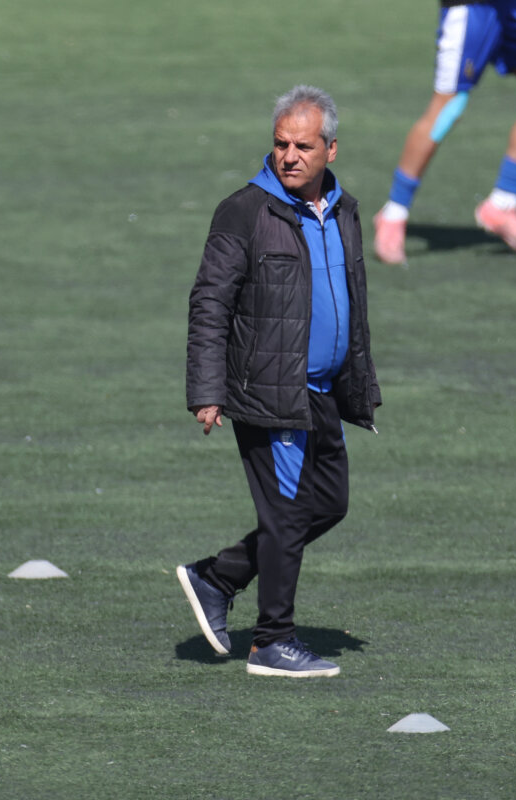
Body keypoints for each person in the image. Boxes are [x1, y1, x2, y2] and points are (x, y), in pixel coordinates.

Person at [178, 85, 381, 678]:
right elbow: (209, 303)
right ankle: (272, 642)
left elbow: (349, 301)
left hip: (322, 393)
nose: (289, 155)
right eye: (281, 144)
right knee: (288, 513)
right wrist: (207, 391)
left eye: (303, 146)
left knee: (328, 504)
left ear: (331, 149)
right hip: (270, 392)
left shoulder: (344, 210)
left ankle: (218, 577)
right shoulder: (244, 211)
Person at [373, 0, 516, 264]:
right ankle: (393, 214)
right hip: (472, 6)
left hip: (515, 6)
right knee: (447, 109)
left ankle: (503, 204)